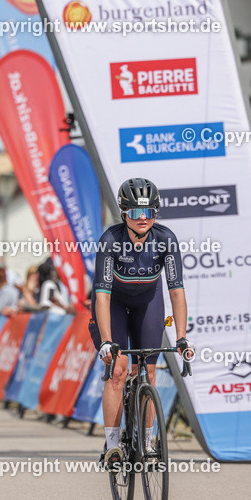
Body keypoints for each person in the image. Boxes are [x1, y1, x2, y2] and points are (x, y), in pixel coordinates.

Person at [91, 178, 193, 469]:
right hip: (113, 305)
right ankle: (112, 446)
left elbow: (176, 290)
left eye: (150, 212)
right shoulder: (111, 240)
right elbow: (101, 296)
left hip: (148, 302)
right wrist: (107, 342)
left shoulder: (166, 239)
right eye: (136, 213)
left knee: (148, 369)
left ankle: (146, 442)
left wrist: (182, 337)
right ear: (124, 214)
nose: (143, 219)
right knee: (118, 371)